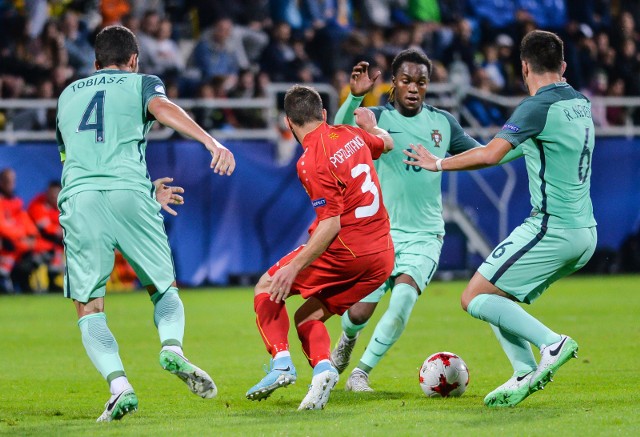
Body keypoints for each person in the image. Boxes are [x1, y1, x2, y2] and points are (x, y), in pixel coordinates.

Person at [404, 30, 596, 407]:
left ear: (524, 67)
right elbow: (508, 152)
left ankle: (551, 344)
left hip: (551, 227)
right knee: (496, 292)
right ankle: (524, 371)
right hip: (584, 230)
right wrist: (471, 152)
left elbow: (492, 155)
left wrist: (437, 162)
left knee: (474, 296)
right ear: (563, 66)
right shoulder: (579, 102)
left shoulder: (535, 107)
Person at [55, 25, 235, 422]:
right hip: (132, 194)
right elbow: (161, 109)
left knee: (90, 306)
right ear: (134, 60)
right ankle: (172, 347)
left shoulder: (67, 95)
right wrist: (211, 141)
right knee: (163, 289)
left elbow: (74, 160)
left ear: (95, 62)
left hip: (81, 198)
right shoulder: (142, 83)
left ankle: (119, 387)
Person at [330, 49, 519, 392]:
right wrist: (356, 94)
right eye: (406, 81)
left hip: (424, 235)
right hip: (379, 235)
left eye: (421, 81)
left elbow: (482, 154)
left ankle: (360, 373)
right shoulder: (376, 118)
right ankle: (347, 338)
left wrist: (518, 145)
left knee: (402, 301)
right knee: (358, 314)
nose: (414, 88)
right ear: (394, 84)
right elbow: (334, 137)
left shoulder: (442, 123)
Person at [246, 84, 394, 410]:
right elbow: (387, 142)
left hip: (347, 252)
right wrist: (370, 127)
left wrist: (294, 268)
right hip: (382, 258)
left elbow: (331, 224)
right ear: (324, 114)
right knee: (306, 318)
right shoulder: (351, 134)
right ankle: (324, 370)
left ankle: (282, 363)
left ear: (289, 123)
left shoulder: (310, 160)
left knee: (266, 286)